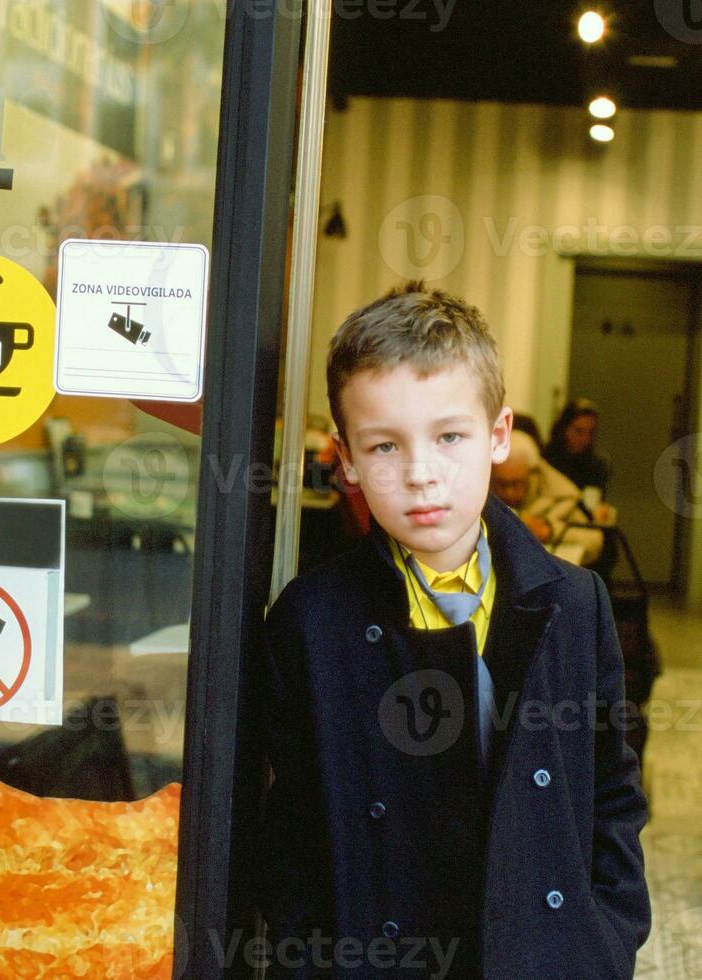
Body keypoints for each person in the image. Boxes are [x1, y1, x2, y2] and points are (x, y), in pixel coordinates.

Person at [256, 281, 649, 978]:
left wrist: (605, 937)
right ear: (344, 457)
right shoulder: (310, 621)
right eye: (382, 447)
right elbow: (285, 822)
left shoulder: (575, 603)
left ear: (497, 437)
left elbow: (610, 788)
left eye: (449, 436)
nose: (420, 474)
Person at [491, 429, 604, 567]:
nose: (509, 492)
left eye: (516, 483)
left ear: (530, 476)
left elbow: (595, 540)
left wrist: (549, 530)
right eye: (501, 484)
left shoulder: (555, 496)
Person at [543, 397, 612, 506]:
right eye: (578, 432)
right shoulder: (545, 459)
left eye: (590, 432)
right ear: (564, 429)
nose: (585, 440)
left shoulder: (597, 466)